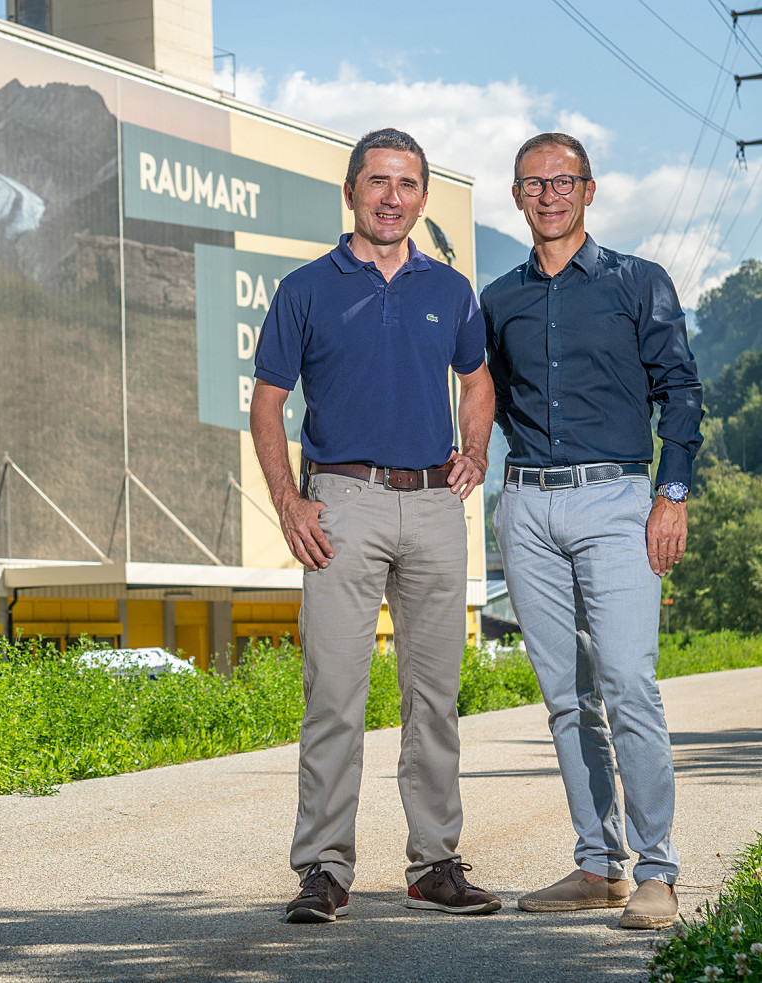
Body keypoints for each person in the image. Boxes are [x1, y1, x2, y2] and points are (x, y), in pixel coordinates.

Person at [251, 127, 501, 923]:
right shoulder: (305, 288)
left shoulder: (451, 290)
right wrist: (290, 501)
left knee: (435, 697)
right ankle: (324, 868)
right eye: (377, 182)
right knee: (335, 694)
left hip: (434, 506)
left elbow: (479, 380)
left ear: (423, 197)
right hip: (343, 501)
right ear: (351, 191)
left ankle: (434, 865)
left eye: (407, 184)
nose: (392, 197)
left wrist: (475, 449)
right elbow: (267, 402)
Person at [481, 132, 703, 930]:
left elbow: (680, 389)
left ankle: (658, 871)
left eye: (562, 180)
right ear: (515, 196)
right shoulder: (497, 298)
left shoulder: (638, 283)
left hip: (618, 501)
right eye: (533, 183)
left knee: (628, 685)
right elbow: (489, 398)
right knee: (565, 697)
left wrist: (671, 494)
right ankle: (597, 863)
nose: (548, 194)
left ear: (589, 190)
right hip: (527, 505)